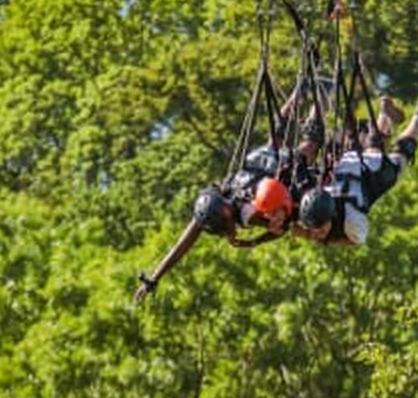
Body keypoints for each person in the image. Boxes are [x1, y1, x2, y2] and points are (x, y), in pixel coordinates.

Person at [134, 78, 330, 302]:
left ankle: (319, 95)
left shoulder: (249, 214)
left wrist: (253, 242)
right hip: (258, 163)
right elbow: (184, 243)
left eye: (225, 229)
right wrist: (155, 277)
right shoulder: (214, 203)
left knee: (311, 143)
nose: (227, 234)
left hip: (273, 172)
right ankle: (302, 89)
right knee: (277, 132)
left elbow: (280, 227)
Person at [293, 100, 418, 246]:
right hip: (350, 161)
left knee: (401, 155)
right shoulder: (320, 198)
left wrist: (310, 236)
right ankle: (384, 114)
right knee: (373, 148)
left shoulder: (352, 222)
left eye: (320, 230)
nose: (317, 233)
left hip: (368, 171)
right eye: (314, 229)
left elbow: (353, 241)